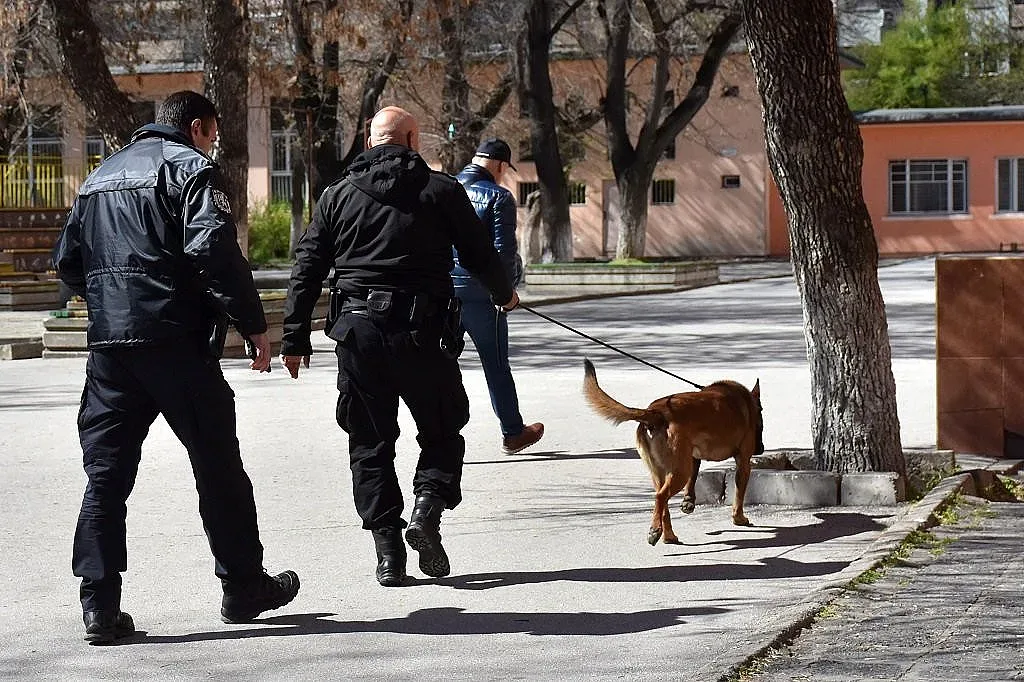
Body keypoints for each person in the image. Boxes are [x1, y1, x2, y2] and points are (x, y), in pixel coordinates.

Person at [53, 90, 299, 644]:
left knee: (105, 478)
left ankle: (99, 605)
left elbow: (67, 261)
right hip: (176, 343)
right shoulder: (191, 171)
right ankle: (242, 585)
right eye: (212, 133)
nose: (213, 144)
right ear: (195, 128)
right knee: (217, 465)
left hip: (110, 351)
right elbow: (214, 250)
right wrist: (254, 324)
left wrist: (106, 300)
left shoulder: (97, 179)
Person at [280, 106, 518, 588]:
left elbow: (307, 266)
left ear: (370, 143)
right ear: (413, 141)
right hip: (423, 334)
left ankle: (388, 553)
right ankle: (427, 510)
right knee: (443, 429)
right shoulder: (441, 190)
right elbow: (479, 254)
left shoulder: (337, 196)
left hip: (358, 336)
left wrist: (294, 337)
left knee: (369, 444)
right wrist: (503, 294)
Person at [454, 138, 544, 454]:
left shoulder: (442, 189)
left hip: (442, 295)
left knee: (441, 364)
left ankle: (439, 435)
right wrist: (505, 293)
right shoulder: (498, 197)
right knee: (496, 366)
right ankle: (513, 432)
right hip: (482, 297)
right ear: (500, 165)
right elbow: (503, 253)